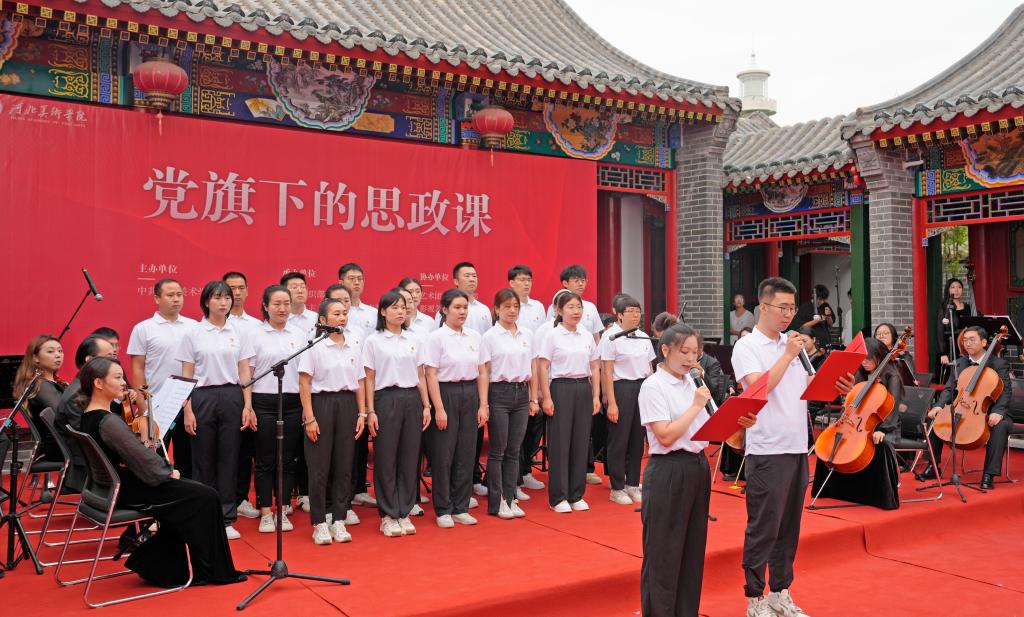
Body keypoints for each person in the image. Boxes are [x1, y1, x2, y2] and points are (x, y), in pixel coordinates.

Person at [74, 357, 245, 587]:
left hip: (113, 488)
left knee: (194, 497)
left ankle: (156, 564)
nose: (124, 382)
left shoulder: (88, 415)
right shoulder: (108, 421)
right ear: (98, 383)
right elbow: (142, 459)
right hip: (131, 490)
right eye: (118, 377)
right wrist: (167, 472)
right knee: (206, 497)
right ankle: (211, 571)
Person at [640, 324, 756, 617]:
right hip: (668, 469)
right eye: (684, 352)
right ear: (665, 350)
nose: (691, 359)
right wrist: (695, 405)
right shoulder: (653, 386)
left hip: (697, 466)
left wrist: (737, 421)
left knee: (692, 552)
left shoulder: (693, 383)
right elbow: (665, 435)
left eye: (696, 352)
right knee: (664, 553)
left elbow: (709, 427)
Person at [731, 277, 812, 617]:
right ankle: (755, 598)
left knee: (789, 528)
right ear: (763, 307)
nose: (789, 314)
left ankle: (780, 591)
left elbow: (809, 389)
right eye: (783, 307)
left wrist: (838, 382)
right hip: (767, 449)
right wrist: (788, 354)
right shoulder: (747, 346)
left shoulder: (793, 345)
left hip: (798, 445)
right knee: (763, 528)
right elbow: (758, 389)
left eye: (792, 308)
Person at [179, 280, 257, 540]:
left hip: (232, 396)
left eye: (227, 298)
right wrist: (188, 410)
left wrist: (247, 405)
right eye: (217, 297)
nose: (224, 302)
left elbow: (244, 370)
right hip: (202, 396)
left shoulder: (239, 332)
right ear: (206, 301)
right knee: (202, 459)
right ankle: (204, 515)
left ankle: (226, 517)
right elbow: (187, 374)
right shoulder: (193, 333)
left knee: (229, 457)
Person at [299, 297, 367, 545]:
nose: (342, 317)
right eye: (336, 313)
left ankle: (339, 519)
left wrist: (362, 413)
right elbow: (304, 382)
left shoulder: (353, 345)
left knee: (344, 466)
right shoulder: (315, 346)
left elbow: (360, 381)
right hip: (322, 404)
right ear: (323, 319)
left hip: (348, 404)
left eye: (344, 313)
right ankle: (319, 522)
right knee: (319, 468)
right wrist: (309, 418)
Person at [363, 289, 431, 537]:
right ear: (383, 311)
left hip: (412, 398)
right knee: (386, 457)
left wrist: (426, 405)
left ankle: (404, 510)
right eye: (395, 307)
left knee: (410, 457)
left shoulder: (414, 339)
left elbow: (421, 375)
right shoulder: (374, 341)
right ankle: (388, 514)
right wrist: (370, 410)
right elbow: (369, 378)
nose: (401, 311)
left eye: (403, 307)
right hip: (385, 399)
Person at [919, 325, 1012, 490]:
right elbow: (949, 389)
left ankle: (989, 474)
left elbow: (1005, 391)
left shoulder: (999, 364)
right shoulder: (959, 363)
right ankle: (933, 466)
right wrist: (939, 406)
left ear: (984, 342)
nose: (967, 343)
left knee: (1001, 426)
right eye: (965, 340)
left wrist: (998, 412)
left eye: (972, 340)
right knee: (934, 418)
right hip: (962, 406)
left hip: (990, 410)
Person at [424, 288, 487, 527]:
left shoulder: (475, 337)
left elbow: (482, 372)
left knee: (466, 452)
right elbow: (430, 373)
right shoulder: (436, 338)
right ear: (444, 309)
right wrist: (439, 408)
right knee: (444, 454)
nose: (462, 312)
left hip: (470, 393)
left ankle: (461, 506)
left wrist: (483, 404)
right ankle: (443, 509)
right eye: (457, 307)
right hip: (445, 393)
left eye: (465, 307)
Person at [817, 337, 903, 510]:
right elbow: (851, 404)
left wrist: (884, 430)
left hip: (885, 426)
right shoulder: (860, 375)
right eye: (863, 358)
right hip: (857, 423)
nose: (864, 362)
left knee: (879, 444)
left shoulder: (892, 377)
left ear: (879, 356)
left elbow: (892, 409)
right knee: (830, 443)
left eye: (869, 358)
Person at [247, 285, 306, 533]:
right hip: (263, 401)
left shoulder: (300, 334)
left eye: (286, 304)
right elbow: (248, 373)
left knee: (288, 458)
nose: (282, 309)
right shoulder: (254, 334)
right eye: (277, 304)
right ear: (265, 306)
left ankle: (282, 509)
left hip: (292, 401)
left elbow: (305, 375)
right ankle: (265, 511)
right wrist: (248, 406)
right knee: (265, 459)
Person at [127, 278, 198, 477]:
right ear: (157, 298)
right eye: (170, 295)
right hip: (156, 404)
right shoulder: (143, 328)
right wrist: (143, 407)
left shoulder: (194, 326)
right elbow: (138, 369)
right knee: (156, 459)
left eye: (179, 295)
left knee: (188, 458)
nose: (176, 299)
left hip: (186, 403)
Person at [538, 292, 601, 513]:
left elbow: (594, 367)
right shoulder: (552, 335)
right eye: (571, 307)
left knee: (581, 442)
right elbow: (543, 367)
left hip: (583, 387)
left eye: (579, 307)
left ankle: (576, 494)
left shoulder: (586, 335)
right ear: (559, 311)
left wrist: (596, 395)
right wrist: (546, 397)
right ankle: (558, 497)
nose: (576, 311)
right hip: (560, 387)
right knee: (560, 442)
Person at [478, 288, 536, 518]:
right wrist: (484, 403)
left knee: (514, 450)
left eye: (515, 307)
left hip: (521, 393)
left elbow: (533, 367)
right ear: (496, 309)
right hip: (498, 393)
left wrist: (533, 398)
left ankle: (511, 498)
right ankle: (498, 501)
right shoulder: (489, 337)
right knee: (498, 451)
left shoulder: (527, 334)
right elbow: (484, 371)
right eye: (507, 307)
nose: (512, 311)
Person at [600, 294, 655, 505]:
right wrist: (611, 402)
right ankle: (617, 486)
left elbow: (649, 368)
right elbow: (607, 371)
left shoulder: (643, 336)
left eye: (637, 311)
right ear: (620, 315)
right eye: (630, 311)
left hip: (642, 388)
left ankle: (632, 483)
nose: (635, 315)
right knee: (619, 439)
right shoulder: (610, 337)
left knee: (637, 439)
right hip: (621, 388)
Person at [339, 263, 378, 509]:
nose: (356, 282)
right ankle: (341, 496)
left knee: (361, 439)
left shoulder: (372, 313)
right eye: (351, 278)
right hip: (341, 383)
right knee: (344, 443)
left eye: (360, 278)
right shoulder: (332, 314)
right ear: (341, 281)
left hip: (365, 381)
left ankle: (360, 488)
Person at [224, 272, 262, 520]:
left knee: (245, 450)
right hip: (222, 393)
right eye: (231, 289)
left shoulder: (257, 326)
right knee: (224, 450)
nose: (236, 293)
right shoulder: (211, 324)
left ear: (247, 291)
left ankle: (240, 497)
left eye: (241, 288)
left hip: (250, 393)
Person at [13, 335, 66, 463]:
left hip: (63, 443)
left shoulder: (53, 383)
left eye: (60, 351)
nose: (58, 355)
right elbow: (64, 415)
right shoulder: (42, 386)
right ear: (35, 358)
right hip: (60, 446)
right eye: (50, 351)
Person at [545, 265, 603, 339]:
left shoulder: (591, 307)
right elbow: (549, 330)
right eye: (576, 281)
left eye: (583, 280)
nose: (581, 284)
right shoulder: (555, 307)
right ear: (565, 283)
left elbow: (596, 338)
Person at [937, 277, 972, 367]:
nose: (956, 290)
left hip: (967, 344)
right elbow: (940, 330)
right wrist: (943, 353)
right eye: (953, 287)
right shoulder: (944, 308)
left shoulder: (969, 307)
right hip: (950, 345)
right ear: (948, 290)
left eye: (959, 287)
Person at [508, 264, 546, 333]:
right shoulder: (507, 307)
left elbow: (543, 332)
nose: (527, 283)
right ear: (512, 283)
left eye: (529, 280)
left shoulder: (538, 306)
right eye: (522, 280)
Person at [794, 284, 833, 348]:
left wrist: (828, 316)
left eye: (824, 299)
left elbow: (830, 325)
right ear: (814, 296)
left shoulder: (825, 305)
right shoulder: (805, 307)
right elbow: (802, 327)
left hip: (826, 343)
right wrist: (817, 320)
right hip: (812, 345)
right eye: (820, 299)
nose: (822, 302)